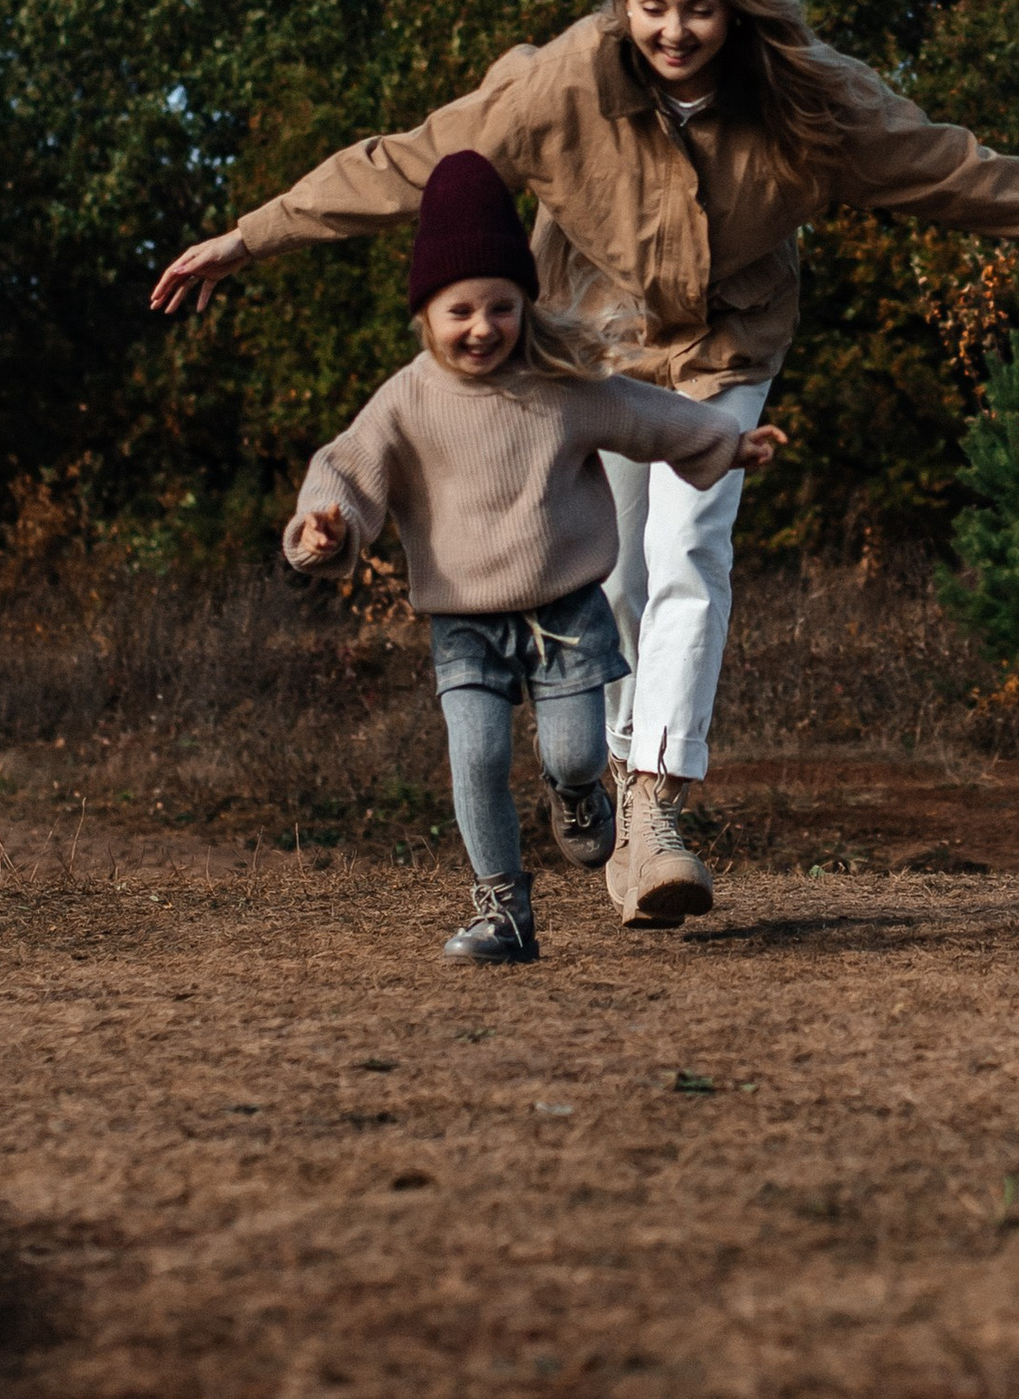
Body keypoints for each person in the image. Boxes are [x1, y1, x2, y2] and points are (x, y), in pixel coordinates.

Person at [158, 0, 1019, 925]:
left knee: (693, 547)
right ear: (624, 3)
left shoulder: (808, 99)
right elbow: (411, 161)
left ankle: (653, 802)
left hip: (727, 339)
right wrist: (254, 235)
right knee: (612, 574)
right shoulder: (557, 85)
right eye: (653, 7)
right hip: (590, 341)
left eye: (697, 8)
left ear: (734, 7)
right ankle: (604, 781)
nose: (674, 31)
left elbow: (950, 169)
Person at [283, 144, 785, 963]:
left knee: (576, 749)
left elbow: (646, 414)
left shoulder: (557, 382)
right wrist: (320, 527)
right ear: (425, 313)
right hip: (465, 622)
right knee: (477, 755)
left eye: (500, 307)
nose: (482, 327)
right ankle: (504, 911)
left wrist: (728, 443)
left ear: (524, 302)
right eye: (460, 311)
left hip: (565, 610)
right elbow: (347, 466)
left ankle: (581, 794)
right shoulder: (407, 399)